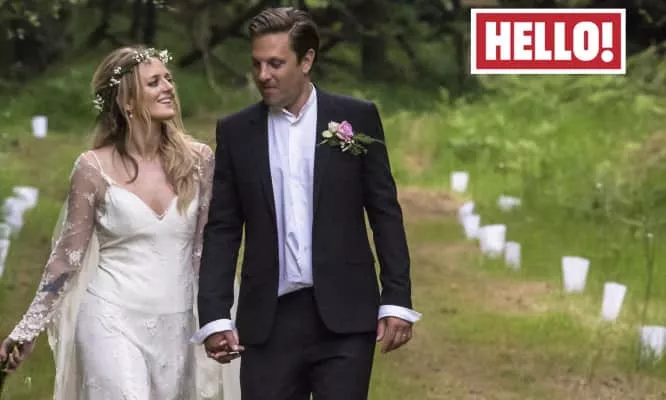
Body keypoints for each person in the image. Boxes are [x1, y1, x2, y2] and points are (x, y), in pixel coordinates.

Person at [194, 7, 421, 399]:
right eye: (257, 64)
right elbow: (223, 228)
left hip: (345, 315)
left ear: (307, 60)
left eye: (276, 63)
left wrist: (397, 300)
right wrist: (215, 315)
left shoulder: (357, 118)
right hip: (268, 319)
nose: (263, 75)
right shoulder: (236, 132)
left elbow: (384, 213)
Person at [0, 45, 240, 400]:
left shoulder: (199, 161)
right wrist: (28, 327)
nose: (168, 87)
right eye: (154, 82)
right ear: (127, 101)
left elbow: (204, 250)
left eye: (168, 79)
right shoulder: (92, 168)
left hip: (176, 323)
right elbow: (67, 257)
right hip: (109, 317)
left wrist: (214, 319)